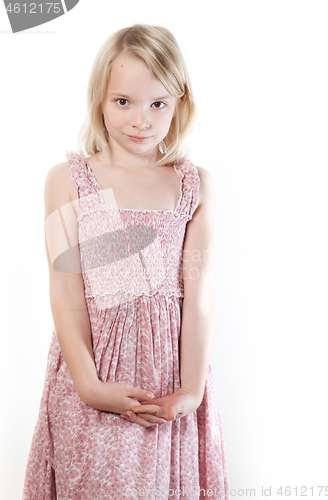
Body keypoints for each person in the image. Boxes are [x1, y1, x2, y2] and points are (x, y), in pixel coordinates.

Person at [22, 24, 230, 500]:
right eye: (124, 102)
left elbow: (199, 295)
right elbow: (65, 288)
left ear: (180, 103)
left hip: (169, 386)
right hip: (94, 381)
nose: (142, 120)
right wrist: (91, 385)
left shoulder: (194, 185)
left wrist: (191, 392)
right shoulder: (69, 179)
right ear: (99, 100)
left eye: (158, 103)